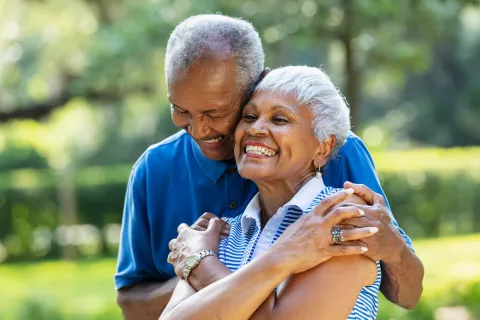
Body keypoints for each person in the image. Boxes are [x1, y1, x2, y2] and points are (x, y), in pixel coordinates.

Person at [115, 14, 424, 320]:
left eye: (215, 113)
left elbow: (406, 292)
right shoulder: (212, 226)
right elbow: (141, 307)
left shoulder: (337, 204)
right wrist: (231, 266)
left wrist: (200, 266)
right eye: (180, 110)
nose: (198, 130)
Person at [161, 66, 382, 320]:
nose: (256, 129)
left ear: (323, 147)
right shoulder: (220, 232)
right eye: (249, 116)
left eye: (279, 119)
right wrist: (286, 256)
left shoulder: (342, 216)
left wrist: (201, 263)